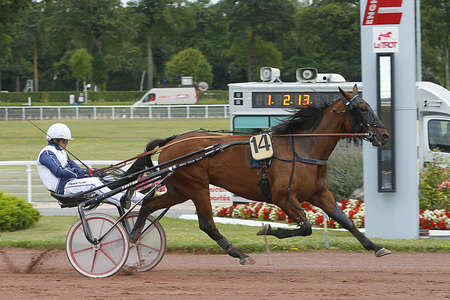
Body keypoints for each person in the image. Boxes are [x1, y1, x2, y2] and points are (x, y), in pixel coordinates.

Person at [37, 123, 163, 207]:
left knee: (107, 181)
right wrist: (83, 173)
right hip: (63, 188)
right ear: (54, 139)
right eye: (64, 141)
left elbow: (74, 167)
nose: (66, 143)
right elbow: (59, 171)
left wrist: (93, 171)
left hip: (71, 183)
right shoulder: (46, 153)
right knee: (94, 183)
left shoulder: (62, 152)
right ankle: (121, 201)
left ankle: (144, 200)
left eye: (66, 141)